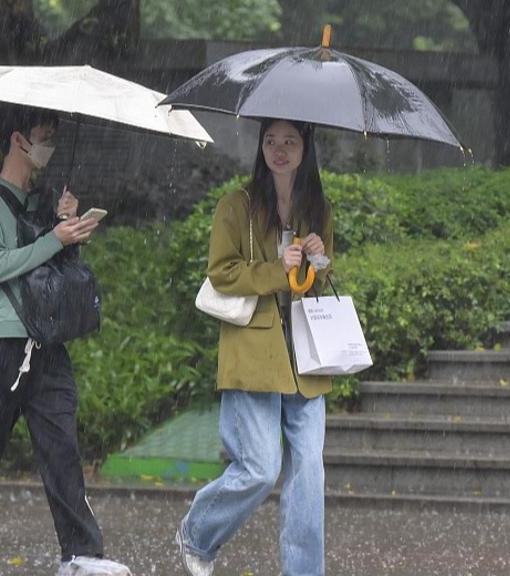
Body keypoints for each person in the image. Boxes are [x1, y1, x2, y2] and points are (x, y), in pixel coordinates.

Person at [0, 107, 131, 576]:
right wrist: (54, 239)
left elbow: (49, 272)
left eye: (54, 139)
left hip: (47, 343)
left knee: (62, 448)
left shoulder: (40, 202)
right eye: (43, 138)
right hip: (2, 341)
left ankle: (80, 554)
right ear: (17, 139)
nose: (49, 148)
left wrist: (67, 227)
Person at [175, 118, 334, 576]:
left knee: (309, 478)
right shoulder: (235, 206)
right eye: (271, 141)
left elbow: (315, 279)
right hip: (253, 354)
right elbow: (221, 273)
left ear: (306, 148)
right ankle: (198, 533)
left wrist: (318, 258)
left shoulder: (318, 207)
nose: (279, 150)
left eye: (290, 141)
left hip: (305, 357)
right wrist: (274, 270)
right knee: (260, 469)